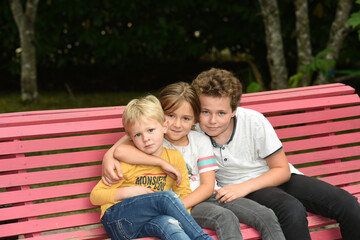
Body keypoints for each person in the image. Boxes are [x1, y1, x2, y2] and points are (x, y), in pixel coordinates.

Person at [190, 68, 360, 240]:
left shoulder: (254, 121)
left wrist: (243, 187)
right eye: (205, 112)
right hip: (242, 192)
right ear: (197, 110)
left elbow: (282, 170)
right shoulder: (192, 132)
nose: (213, 121)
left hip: (274, 178)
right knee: (291, 210)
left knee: (348, 204)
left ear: (234, 110)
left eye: (221, 113)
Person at [102, 82, 285, 240]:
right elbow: (123, 146)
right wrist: (108, 156)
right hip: (183, 204)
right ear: (159, 117)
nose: (177, 124)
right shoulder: (154, 139)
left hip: (209, 195)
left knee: (265, 214)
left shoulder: (199, 140)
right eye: (170, 116)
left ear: (195, 120)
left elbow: (207, 185)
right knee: (225, 218)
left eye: (186, 118)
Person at [90, 95, 213, 240]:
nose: (145, 138)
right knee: (165, 198)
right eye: (137, 134)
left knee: (171, 227)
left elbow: (184, 193)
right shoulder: (126, 161)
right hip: (118, 220)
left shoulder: (174, 158)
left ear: (164, 126)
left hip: (149, 222)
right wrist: (128, 192)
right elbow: (95, 196)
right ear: (130, 137)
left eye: (150, 130)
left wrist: (179, 219)